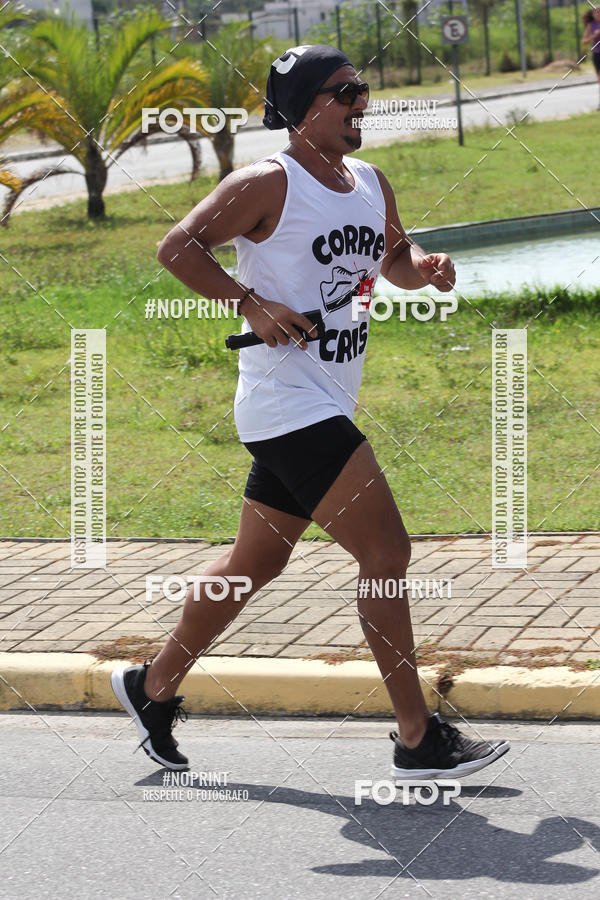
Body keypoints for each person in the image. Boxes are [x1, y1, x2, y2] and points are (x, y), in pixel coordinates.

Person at [111, 45, 510, 778]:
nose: (364, 101)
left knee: (251, 565)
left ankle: (152, 684)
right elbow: (179, 247)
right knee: (387, 555)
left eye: (364, 89)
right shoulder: (268, 181)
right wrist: (250, 302)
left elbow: (390, 258)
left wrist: (420, 270)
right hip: (284, 402)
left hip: (326, 395)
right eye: (347, 91)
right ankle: (417, 737)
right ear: (304, 109)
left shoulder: (369, 182)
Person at [583, 6, 600, 109]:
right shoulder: (591, 25)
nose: (598, 14)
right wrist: (594, 36)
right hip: (597, 54)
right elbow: (584, 42)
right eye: (596, 13)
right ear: (593, 15)